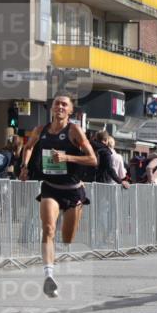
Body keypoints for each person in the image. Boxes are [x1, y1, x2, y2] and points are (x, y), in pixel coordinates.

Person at [19, 93, 97, 297]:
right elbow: (28, 147)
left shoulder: (74, 130)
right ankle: (49, 276)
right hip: (50, 187)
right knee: (48, 229)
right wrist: (24, 166)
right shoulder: (40, 130)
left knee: (67, 238)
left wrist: (67, 157)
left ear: (70, 110)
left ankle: (57, 254)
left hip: (73, 190)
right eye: (57, 104)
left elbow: (93, 159)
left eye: (64, 105)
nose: (60, 107)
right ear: (52, 108)